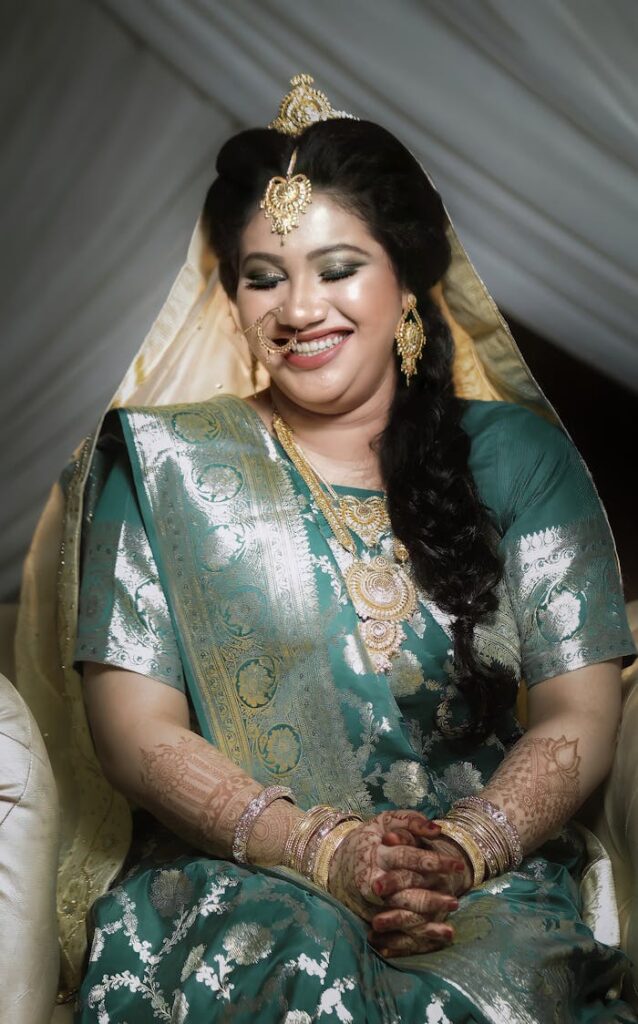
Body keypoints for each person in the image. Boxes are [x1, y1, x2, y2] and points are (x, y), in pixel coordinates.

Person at [21, 75, 638, 1022]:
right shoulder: (164, 467)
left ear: (408, 282)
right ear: (231, 295)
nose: (299, 309)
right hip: (240, 877)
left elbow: (578, 716)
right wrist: (321, 849)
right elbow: (134, 731)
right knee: (295, 960)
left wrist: (464, 849)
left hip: (479, 883)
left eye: (338, 267)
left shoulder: (518, 459)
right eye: (264, 276)